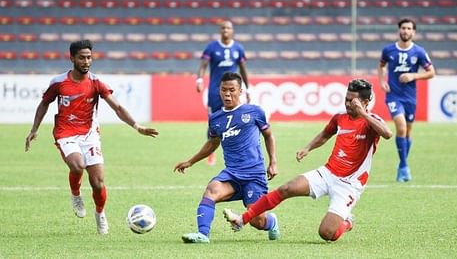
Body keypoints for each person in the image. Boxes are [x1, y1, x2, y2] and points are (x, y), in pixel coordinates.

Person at [223, 79, 392, 242]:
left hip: (349, 184)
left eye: (352, 101)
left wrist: (362, 112)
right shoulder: (340, 117)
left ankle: (347, 222)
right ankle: (242, 220)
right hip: (328, 173)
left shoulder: (372, 121)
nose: (347, 104)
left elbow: (387, 134)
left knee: (326, 233)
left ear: (365, 102)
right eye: (346, 99)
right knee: (286, 188)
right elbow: (326, 134)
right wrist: (308, 148)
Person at [24, 40, 159, 234]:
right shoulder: (59, 82)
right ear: (72, 58)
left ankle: (100, 213)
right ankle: (76, 194)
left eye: (89, 57)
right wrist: (34, 129)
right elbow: (44, 104)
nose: (86, 61)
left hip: (89, 135)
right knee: (77, 165)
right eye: (82, 57)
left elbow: (118, 107)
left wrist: (137, 126)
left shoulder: (96, 83)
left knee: (98, 182)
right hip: (65, 133)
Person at [174, 72, 278, 244]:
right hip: (232, 174)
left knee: (257, 221)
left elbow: (268, 135)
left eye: (232, 90)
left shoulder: (254, 112)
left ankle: (272, 221)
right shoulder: (215, 118)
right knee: (212, 189)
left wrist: (273, 162)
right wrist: (190, 161)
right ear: (219, 91)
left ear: (240, 91)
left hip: (254, 175)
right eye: (224, 90)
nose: (227, 94)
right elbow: (212, 143)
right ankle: (203, 235)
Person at [377, 18, 435, 182]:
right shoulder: (388, 50)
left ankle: (402, 164)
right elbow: (381, 66)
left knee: (408, 132)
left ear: (413, 32)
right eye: (403, 28)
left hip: (410, 97)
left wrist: (413, 75)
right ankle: (404, 166)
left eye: (409, 28)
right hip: (393, 95)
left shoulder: (419, 52)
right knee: (401, 128)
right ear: (399, 30)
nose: (405, 31)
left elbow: (431, 73)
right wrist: (382, 81)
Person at [196, 20, 250, 166]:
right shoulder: (212, 47)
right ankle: (211, 152)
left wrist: (248, 88)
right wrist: (199, 79)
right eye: (223, 28)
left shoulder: (238, 48)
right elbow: (203, 65)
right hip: (215, 91)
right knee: (213, 121)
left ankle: (238, 150)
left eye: (228, 28)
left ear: (232, 31)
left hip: (233, 92)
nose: (225, 30)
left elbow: (243, 69)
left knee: (237, 118)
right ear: (220, 31)